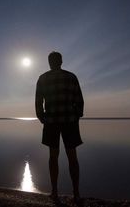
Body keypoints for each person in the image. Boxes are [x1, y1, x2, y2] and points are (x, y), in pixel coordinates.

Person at [35, 51, 84, 204]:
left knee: (53, 157)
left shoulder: (43, 78)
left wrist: (43, 118)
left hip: (52, 123)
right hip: (70, 122)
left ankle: (54, 192)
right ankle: (76, 194)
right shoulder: (71, 77)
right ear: (61, 61)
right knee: (72, 158)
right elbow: (79, 101)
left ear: (49, 62)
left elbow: (38, 103)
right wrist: (76, 115)